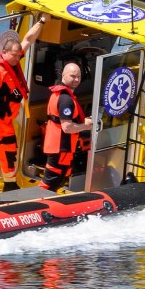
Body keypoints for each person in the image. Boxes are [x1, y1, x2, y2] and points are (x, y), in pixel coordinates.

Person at [0, 13, 48, 195]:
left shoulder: (12, 65)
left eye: (18, 55)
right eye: (13, 55)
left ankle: (10, 185)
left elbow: (28, 39)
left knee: (9, 153)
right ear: (3, 53)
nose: (16, 57)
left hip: (7, 122)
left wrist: (42, 21)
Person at [40, 62, 93, 192]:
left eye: (79, 76)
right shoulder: (65, 99)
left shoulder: (61, 95)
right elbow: (67, 127)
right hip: (60, 146)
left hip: (59, 146)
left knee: (61, 175)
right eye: (73, 76)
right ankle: (35, 205)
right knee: (51, 179)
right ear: (63, 75)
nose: (76, 80)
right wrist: (85, 126)